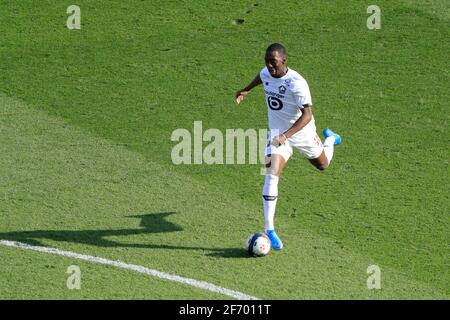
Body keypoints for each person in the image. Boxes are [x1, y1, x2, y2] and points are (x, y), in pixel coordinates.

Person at [235, 43, 341, 250]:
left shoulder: (297, 83)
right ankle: (270, 230)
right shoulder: (266, 73)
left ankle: (330, 139)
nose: (269, 66)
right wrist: (245, 90)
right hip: (276, 135)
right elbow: (261, 77)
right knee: (270, 173)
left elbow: (307, 115)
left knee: (323, 164)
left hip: (302, 133)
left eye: (273, 62)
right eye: (266, 61)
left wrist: (287, 135)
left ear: (284, 61)